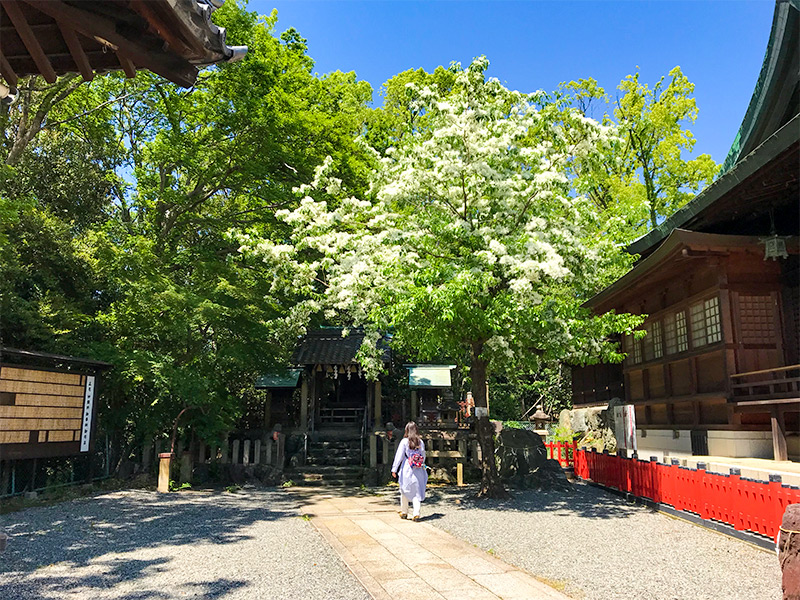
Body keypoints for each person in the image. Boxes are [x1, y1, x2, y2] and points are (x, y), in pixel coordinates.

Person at [391, 421, 428, 521]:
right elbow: (423, 456)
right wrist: (421, 464)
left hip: (407, 467)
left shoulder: (404, 441)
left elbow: (399, 456)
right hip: (418, 468)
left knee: (404, 489)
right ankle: (416, 513)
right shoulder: (420, 442)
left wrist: (394, 469)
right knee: (417, 491)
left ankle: (404, 511)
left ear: (406, 430)